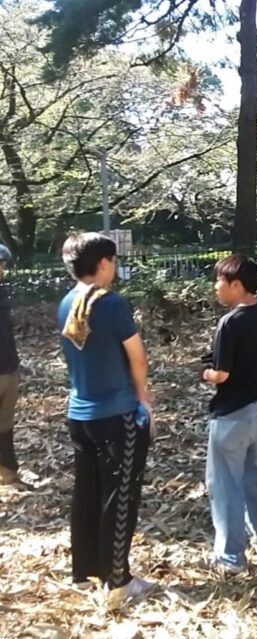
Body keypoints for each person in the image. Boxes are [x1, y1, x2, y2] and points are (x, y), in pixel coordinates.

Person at [57, 233, 155, 600]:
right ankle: (119, 580)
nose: (114, 268)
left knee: (86, 492)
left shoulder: (66, 303)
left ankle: (83, 572)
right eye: (112, 261)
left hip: (80, 414)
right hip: (117, 415)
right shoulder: (112, 304)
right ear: (102, 264)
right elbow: (138, 356)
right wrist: (143, 398)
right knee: (120, 496)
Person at [201, 254, 257, 574]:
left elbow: (221, 374)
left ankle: (231, 557)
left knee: (225, 485)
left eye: (219, 281)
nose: (216, 287)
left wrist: (204, 373)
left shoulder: (230, 322)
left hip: (232, 413)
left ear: (237, 285)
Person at [0, 244, 20, 484]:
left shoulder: (3, 293)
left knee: (5, 425)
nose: (2, 269)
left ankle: (7, 470)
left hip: (8, 369)